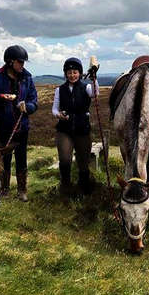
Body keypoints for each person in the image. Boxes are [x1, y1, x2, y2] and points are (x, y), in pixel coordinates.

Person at [0, 45, 38, 202]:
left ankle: (22, 190)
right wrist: (0, 98)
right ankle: (4, 188)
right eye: (20, 62)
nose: (22, 65)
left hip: (22, 126)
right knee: (4, 157)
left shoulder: (27, 78)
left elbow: (34, 100)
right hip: (3, 125)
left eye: (23, 62)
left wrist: (28, 107)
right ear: (10, 62)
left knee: (21, 157)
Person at [52, 57, 99, 196]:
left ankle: (83, 187)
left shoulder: (87, 87)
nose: (72, 75)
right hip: (64, 130)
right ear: (65, 74)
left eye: (75, 72)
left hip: (82, 129)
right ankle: (66, 186)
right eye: (69, 72)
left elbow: (96, 93)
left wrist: (94, 77)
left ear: (80, 73)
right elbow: (54, 109)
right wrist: (58, 115)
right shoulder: (59, 90)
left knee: (83, 161)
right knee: (65, 159)